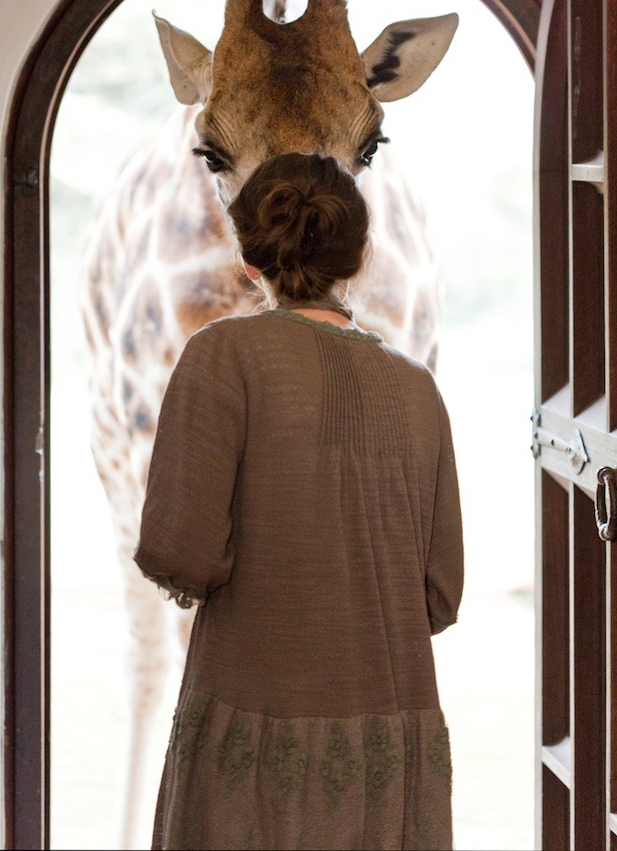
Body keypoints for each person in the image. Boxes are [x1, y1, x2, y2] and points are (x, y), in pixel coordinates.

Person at [134, 152, 463, 851]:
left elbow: (178, 552)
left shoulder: (221, 357)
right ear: (360, 253)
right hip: (388, 732)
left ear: (249, 256)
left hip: (248, 720)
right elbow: (438, 593)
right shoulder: (415, 388)